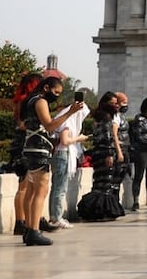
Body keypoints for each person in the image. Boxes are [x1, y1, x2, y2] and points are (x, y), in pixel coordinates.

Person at [18, 76, 86, 245]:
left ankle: (28, 228)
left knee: (32, 191)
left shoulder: (28, 101)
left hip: (30, 146)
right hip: (40, 148)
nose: (56, 96)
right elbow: (49, 126)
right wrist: (70, 112)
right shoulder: (40, 102)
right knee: (40, 191)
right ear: (46, 88)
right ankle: (34, 230)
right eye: (56, 92)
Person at [77, 92, 128, 222]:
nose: (116, 106)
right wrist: (110, 154)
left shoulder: (100, 116)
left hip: (98, 152)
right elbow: (106, 138)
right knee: (104, 185)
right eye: (113, 103)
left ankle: (98, 210)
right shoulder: (105, 118)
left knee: (100, 183)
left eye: (117, 103)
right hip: (104, 153)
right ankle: (98, 210)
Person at [10, 73, 43, 236]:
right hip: (25, 144)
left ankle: (23, 220)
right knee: (25, 186)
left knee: (24, 186)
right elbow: (23, 125)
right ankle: (21, 221)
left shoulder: (20, 100)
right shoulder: (29, 102)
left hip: (20, 144)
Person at [48, 101, 89, 228]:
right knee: (60, 188)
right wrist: (79, 138)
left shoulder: (66, 121)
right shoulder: (67, 122)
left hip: (63, 155)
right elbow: (65, 140)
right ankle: (56, 217)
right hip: (63, 155)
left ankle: (55, 216)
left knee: (58, 187)